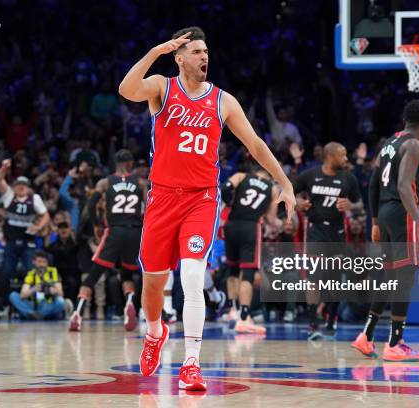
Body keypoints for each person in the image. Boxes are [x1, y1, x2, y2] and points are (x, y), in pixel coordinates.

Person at [118, 26, 295, 391]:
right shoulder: (162, 88)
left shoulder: (223, 101)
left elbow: (257, 145)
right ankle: (155, 332)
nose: (204, 57)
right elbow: (126, 89)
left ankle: (192, 363)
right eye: (196, 51)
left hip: (201, 198)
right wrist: (155, 50)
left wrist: (285, 182)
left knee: (193, 277)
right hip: (162, 198)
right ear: (180, 58)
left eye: (206, 51)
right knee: (153, 284)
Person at [352, 99, 419, 362]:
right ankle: (395, 343)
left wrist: (375, 220)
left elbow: (374, 182)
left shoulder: (389, 142)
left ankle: (366, 336)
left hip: (384, 214)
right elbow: (404, 186)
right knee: (403, 278)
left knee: (389, 277)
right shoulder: (414, 145)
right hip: (402, 214)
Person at [70, 149, 147, 332]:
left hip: (114, 230)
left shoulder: (105, 182)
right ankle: (130, 302)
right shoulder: (141, 183)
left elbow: (91, 204)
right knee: (127, 273)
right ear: (130, 164)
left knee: (94, 274)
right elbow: (150, 208)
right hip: (135, 232)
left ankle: (77, 313)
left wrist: (97, 224)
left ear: (116, 163)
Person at [293, 142, 363, 339]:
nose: (346, 158)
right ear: (330, 156)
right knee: (314, 278)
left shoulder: (348, 178)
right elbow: (288, 193)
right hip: (316, 231)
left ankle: (331, 320)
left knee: (334, 279)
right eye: (343, 155)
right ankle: (313, 323)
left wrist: (351, 205)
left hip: (338, 232)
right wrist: (298, 203)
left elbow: (359, 204)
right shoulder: (310, 175)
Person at [222, 164, 282, 333]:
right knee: (247, 272)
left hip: (232, 225)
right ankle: (244, 317)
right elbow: (271, 219)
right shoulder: (272, 188)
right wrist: (281, 224)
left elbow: (225, 188)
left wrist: (230, 204)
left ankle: (233, 310)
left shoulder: (241, 175)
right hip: (250, 227)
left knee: (232, 269)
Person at [0, 160, 50, 281]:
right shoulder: (9, 196)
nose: (21, 187)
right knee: (6, 271)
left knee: (31, 271)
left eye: (24, 185)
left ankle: (32, 297)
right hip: (10, 241)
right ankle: (5, 298)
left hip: (28, 242)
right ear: (14, 187)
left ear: (28, 187)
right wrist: (4, 168)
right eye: (19, 184)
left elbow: (46, 215)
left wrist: (38, 226)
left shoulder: (35, 198)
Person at [9, 250, 65, 320]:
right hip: (33, 304)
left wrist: (52, 290)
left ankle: (37, 315)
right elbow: (22, 295)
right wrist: (34, 289)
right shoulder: (31, 274)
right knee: (13, 295)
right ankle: (32, 314)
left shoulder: (53, 272)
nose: (42, 264)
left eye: (44, 262)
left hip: (48, 304)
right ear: (34, 262)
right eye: (39, 262)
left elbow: (61, 293)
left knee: (60, 301)